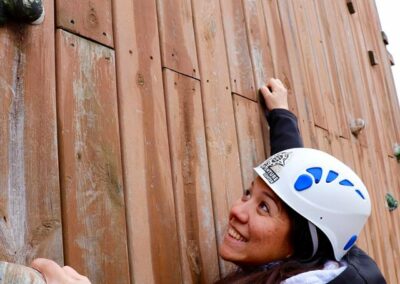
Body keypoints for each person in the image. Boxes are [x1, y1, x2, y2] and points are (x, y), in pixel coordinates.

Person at [216, 78, 386, 283]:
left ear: (299, 245)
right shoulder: (326, 244)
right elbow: (297, 188)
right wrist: (282, 115)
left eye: (264, 207)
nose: (237, 211)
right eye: (248, 194)